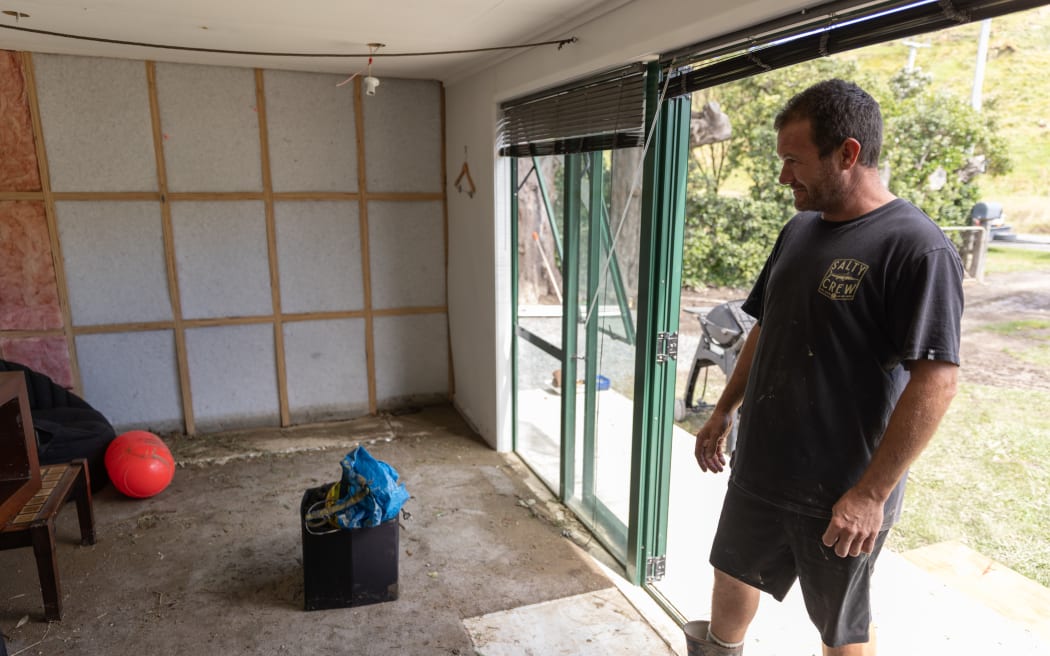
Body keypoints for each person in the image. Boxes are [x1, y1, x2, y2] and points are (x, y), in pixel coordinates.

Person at [689, 79, 963, 656]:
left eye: (794, 160)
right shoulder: (798, 230)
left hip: (841, 493)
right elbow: (765, 325)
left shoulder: (916, 247)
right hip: (762, 468)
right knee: (732, 574)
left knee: (840, 627)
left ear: (849, 153)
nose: (784, 175)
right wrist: (722, 411)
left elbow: (936, 380)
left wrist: (872, 495)